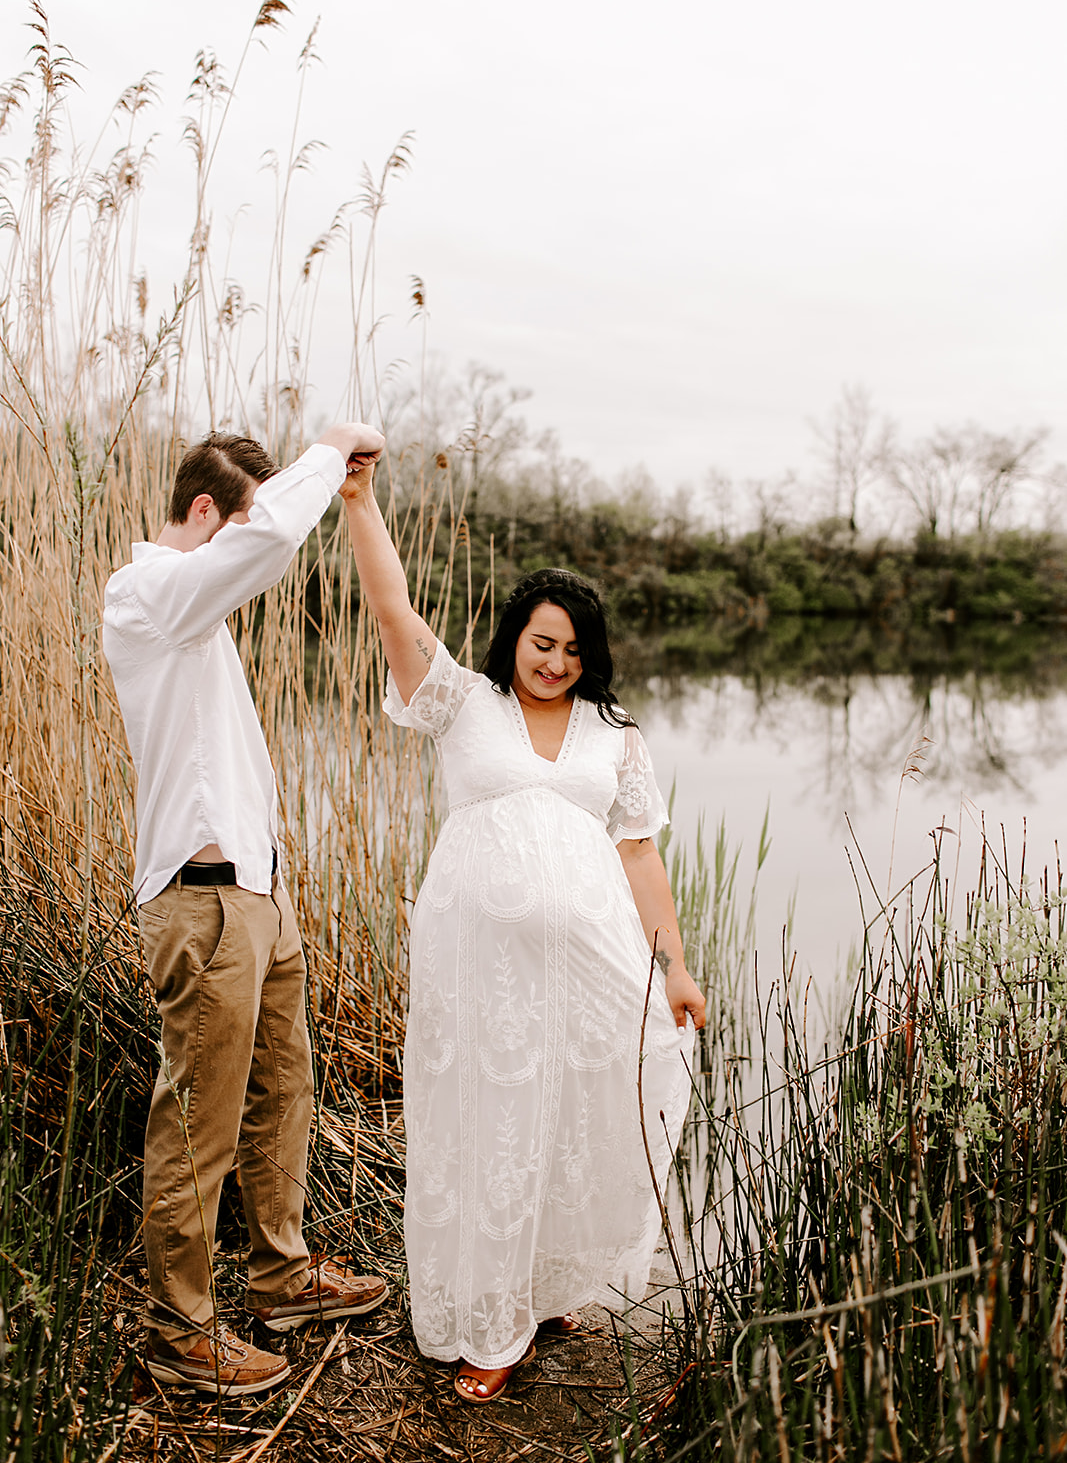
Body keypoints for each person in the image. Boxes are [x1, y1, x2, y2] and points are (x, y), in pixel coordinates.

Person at [339, 453, 706, 1404]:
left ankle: (546, 1288)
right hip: (479, 966)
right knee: (489, 1121)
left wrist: (672, 969)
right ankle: (491, 1322)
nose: (556, 662)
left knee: (577, 1115)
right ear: (515, 639)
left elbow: (638, 857)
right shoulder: (464, 703)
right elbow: (392, 608)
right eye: (543, 643)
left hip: (591, 968)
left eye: (575, 651)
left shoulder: (615, 736)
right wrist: (359, 501)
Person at [103, 423, 389, 1395]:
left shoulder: (197, 617)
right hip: (201, 906)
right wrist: (325, 452)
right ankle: (180, 1334)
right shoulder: (145, 595)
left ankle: (281, 1275)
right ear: (202, 515)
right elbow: (264, 544)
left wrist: (275, 882)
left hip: (256, 903)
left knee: (283, 1096)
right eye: (245, 516)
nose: (259, 541)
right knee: (195, 1125)